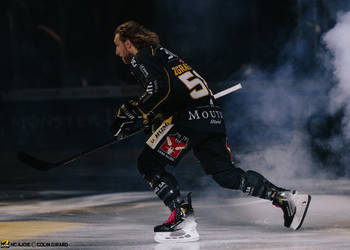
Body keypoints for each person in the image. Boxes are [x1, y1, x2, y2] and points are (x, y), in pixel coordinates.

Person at [111, 21, 311, 243]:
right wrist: (153, 117)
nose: (117, 51)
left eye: (118, 45)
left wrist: (133, 110)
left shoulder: (142, 57)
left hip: (189, 120)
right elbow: (172, 91)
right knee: (226, 175)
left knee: (148, 162)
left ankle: (182, 218)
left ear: (129, 43)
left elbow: (158, 88)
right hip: (211, 117)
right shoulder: (166, 55)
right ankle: (284, 197)